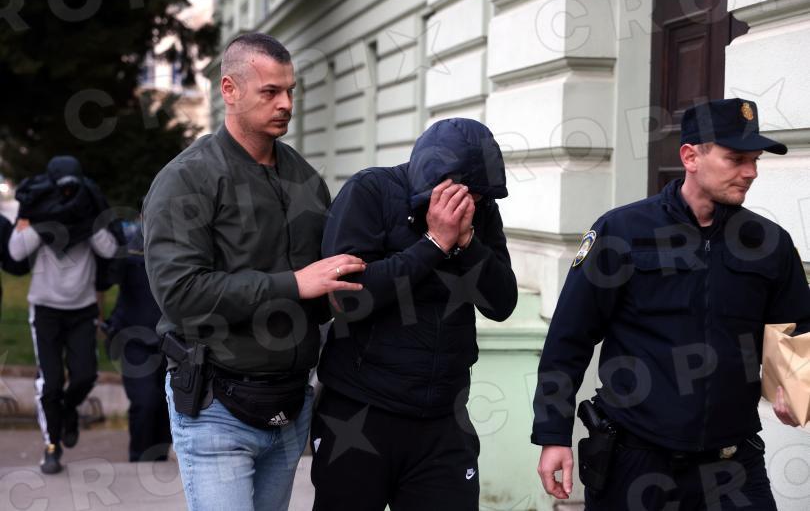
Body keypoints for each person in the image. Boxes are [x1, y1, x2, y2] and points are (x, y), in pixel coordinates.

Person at [532, 98, 810, 509]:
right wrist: (553, 434)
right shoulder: (622, 231)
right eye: (736, 159)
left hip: (732, 464)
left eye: (754, 161)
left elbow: (798, 328)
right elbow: (568, 338)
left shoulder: (769, 243)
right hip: (635, 462)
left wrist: (796, 383)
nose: (750, 172)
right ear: (690, 157)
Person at [143, 32, 365, 511]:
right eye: (270, 92)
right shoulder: (186, 179)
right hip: (214, 407)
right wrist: (295, 284)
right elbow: (180, 294)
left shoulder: (305, 179)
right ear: (230, 89)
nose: (286, 104)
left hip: (291, 405)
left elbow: (322, 292)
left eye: (290, 91)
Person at [310, 118, 518, 510]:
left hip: (443, 416)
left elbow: (501, 304)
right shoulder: (369, 191)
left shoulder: (480, 209)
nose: (470, 203)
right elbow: (348, 300)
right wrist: (434, 244)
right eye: (465, 193)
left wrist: (468, 244)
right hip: (360, 410)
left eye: (479, 196)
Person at [8, 155, 119, 474]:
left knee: (85, 376)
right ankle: (51, 447)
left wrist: (84, 222)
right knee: (51, 382)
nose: (67, 196)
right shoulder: (38, 208)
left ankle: (68, 410)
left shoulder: (88, 209)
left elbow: (110, 249)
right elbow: (15, 251)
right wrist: (44, 221)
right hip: (45, 310)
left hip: (82, 310)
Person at [104, 204, 172, 462]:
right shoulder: (129, 248)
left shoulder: (179, 248)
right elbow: (105, 277)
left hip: (170, 340)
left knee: (167, 403)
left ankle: (159, 458)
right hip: (133, 339)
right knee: (145, 402)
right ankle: (140, 461)